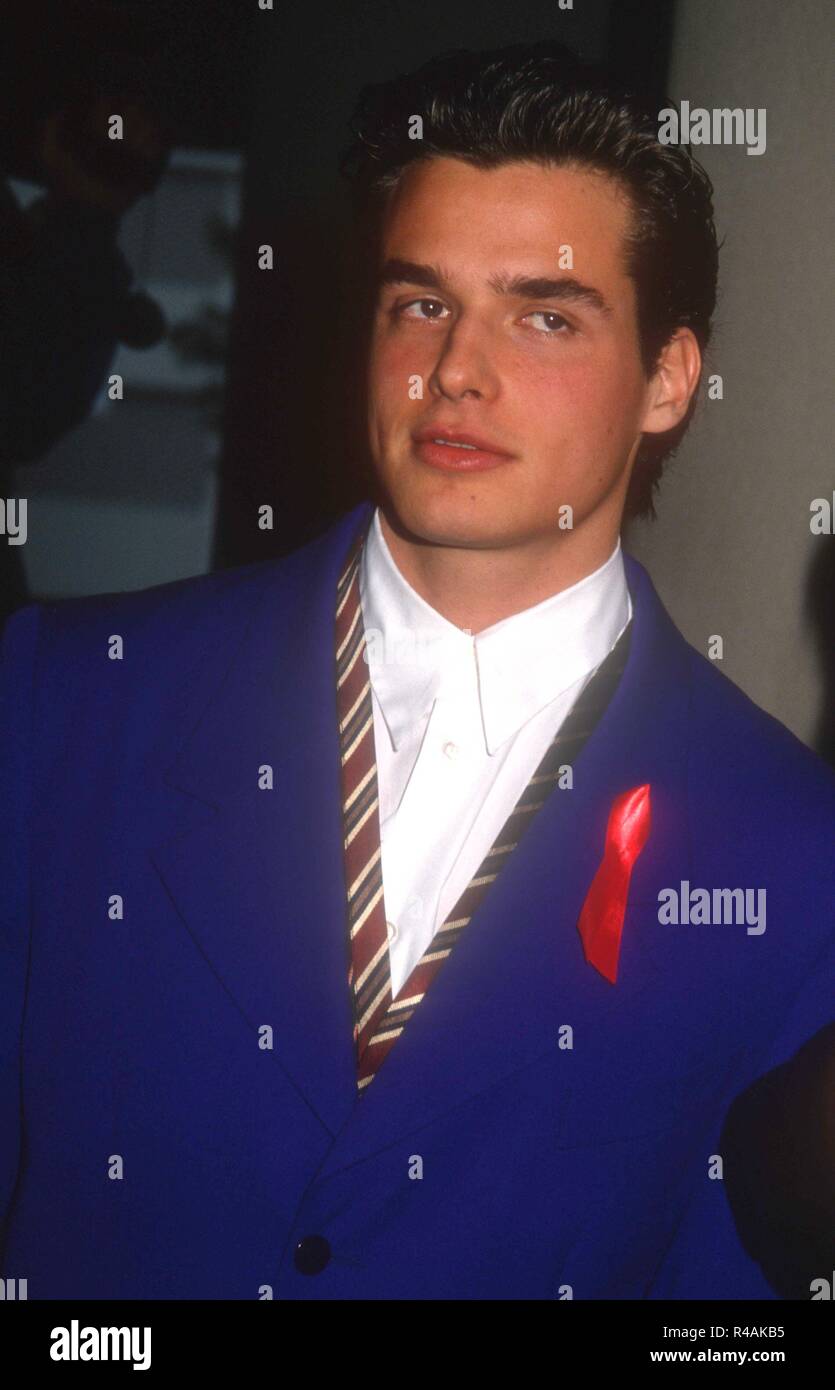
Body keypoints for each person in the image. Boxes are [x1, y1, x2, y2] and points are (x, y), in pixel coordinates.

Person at [0, 41, 832, 1301]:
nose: (454, 369)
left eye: (543, 315)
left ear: (668, 379)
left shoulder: (786, 841)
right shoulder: (70, 696)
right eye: (421, 301)